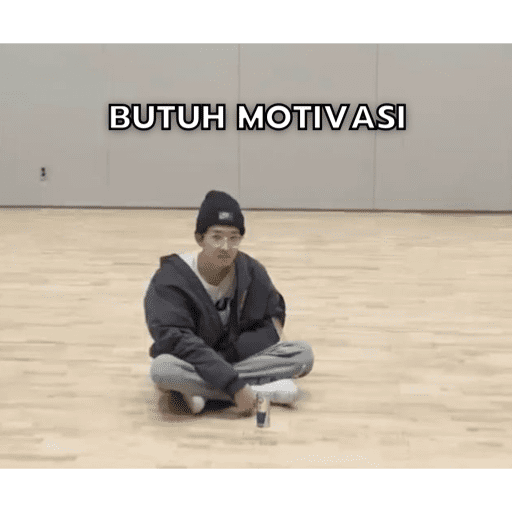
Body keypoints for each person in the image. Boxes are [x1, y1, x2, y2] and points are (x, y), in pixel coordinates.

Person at [144, 190, 314, 416]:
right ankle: (260, 391)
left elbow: (272, 323)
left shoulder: (251, 271)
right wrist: (234, 386)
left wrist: (223, 364)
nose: (225, 247)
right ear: (200, 238)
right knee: (163, 369)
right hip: (192, 359)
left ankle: (202, 393)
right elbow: (174, 339)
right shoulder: (170, 279)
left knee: (302, 354)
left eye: (234, 238)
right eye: (217, 237)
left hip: (229, 359)